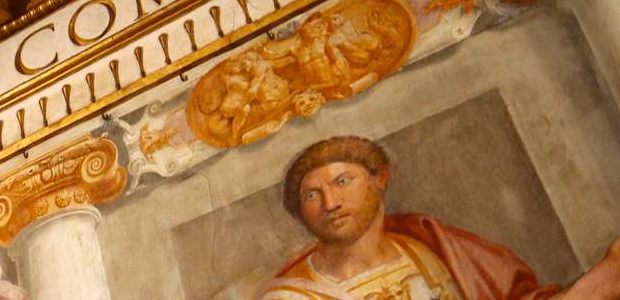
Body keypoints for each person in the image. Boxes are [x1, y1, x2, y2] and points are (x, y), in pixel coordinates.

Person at [260, 136, 620, 300]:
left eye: (342, 181)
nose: (330, 203)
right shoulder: (290, 298)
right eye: (312, 195)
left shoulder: (431, 247)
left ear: (379, 179)